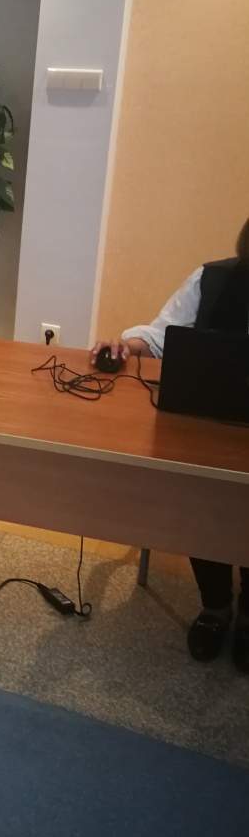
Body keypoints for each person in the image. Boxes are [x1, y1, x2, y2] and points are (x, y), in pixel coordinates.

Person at [91, 216, 249, 672]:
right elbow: (164, 334)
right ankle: (216, 606)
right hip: (206, 428)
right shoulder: (214, 278)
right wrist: (128, 344)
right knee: (199, 493)